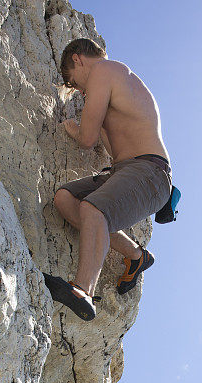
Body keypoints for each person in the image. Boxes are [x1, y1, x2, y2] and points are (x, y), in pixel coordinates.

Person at [43, 38, 172, 321]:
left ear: (78, 59)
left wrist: (73, 129)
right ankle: (137, 257)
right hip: (125, 171)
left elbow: (86, 139)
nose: (77, 89)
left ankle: (82, 291)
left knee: (93, 207)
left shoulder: (106, 70)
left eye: (73, 82)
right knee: (66, 200)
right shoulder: (110, 88)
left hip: (149, 171)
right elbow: (109, 147)